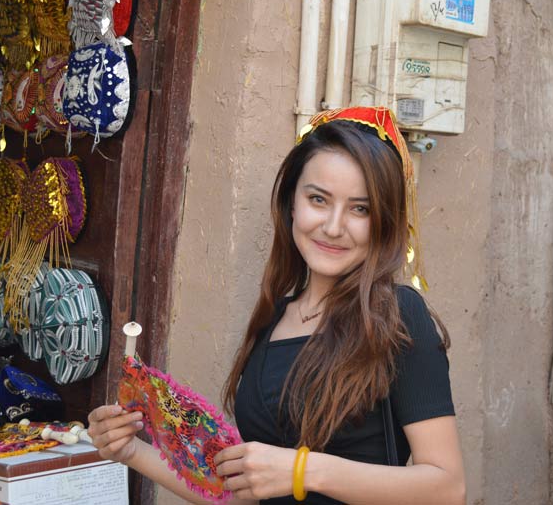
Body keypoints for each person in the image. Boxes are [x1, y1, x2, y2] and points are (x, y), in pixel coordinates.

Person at [88, 107, 465, 504]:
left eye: (360, 208)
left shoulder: (397, 315)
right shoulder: (275, 318)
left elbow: (447, 488)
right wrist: (132, 451)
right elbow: (243, 495)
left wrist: (302, 470)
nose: (334, 226)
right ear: (291, 204)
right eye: (318, 199)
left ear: (383, 221)